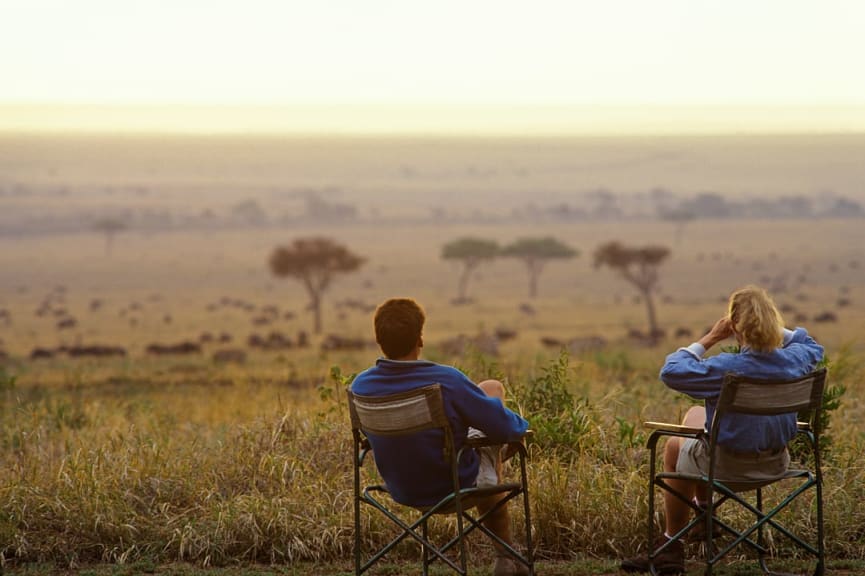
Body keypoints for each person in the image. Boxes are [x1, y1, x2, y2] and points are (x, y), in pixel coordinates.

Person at [621, 285, 824, 574]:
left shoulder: (727, 367)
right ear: (772, 322)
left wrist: (711, 337)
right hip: (776, 464)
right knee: (696, 416)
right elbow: (813, 345)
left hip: (723, 468)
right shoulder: (795, 360)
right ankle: (704, 516)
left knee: (674, 445)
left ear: (735, 328)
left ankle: (671, 546)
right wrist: (775, 328)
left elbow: (671, 371)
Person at [351, 297, 530, 576]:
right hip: (454, 487)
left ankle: (506, 557)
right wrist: (521, 428)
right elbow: (506, 428)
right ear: (419, 339)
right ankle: (505, 556)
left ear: (379, 340)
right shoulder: (447, 380)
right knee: (492, 391)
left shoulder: (361, 386)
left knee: (485, 396)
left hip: (402, 489)